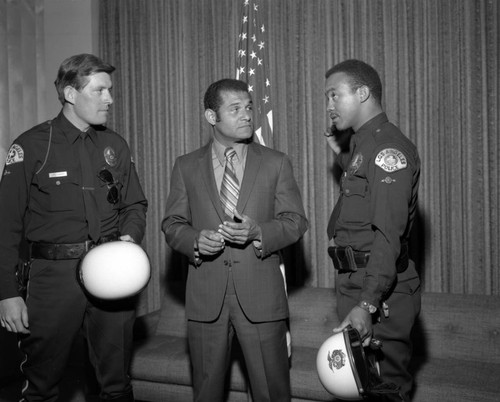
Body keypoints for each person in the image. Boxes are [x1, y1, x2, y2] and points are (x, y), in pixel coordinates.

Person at [0, 53, 148, 402]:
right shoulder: (31, 146)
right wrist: (6, 292)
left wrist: (131, 236)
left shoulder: (114, 145)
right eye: (100, 91)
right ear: (70, 94)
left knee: (116, 381)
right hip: (53, 276)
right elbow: (5, 225)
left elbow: (135, 204)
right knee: (42, 382)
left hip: (112, 273)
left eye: (109, 90)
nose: (110, 99)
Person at [162, 78, 308, 402]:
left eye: (249, 107)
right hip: (205, 300)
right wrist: (195, 240)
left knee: (271, 393)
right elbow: (172, 224)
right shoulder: (186, 166)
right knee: (207, 393)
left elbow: (296, 221)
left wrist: (259, 232)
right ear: (211, 117)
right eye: (235, 109)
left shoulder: (275, 162)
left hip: (261, 298)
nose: (247, 115)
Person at [324, 59, 421, 401]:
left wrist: (367, 304)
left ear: (363, 92)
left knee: (383, 391)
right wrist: (343, 158)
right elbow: (359, 210)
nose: (329, 106)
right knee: (357, 390)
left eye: (335, 95)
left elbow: (386, 235)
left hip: (379, 292)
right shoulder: (364, 146)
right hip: (356, 282)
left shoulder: (387, 150)